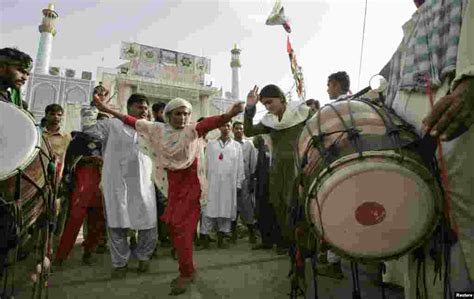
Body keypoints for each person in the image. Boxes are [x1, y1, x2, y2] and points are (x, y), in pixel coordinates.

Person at [92, 94, 244, 295]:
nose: (182, 118)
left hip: (191, 188)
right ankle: (187, 266)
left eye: (186, 114)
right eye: (177, 114)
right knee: (174, 228)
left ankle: (186, 273)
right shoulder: (157, 129)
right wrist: (107, 109)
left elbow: (210, 122)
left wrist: (230, 114)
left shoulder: (192, 130)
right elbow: (130, 120)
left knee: (183, 232)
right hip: (172, 188)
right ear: (168, 115)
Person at [380, 0, 474, 298]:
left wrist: (470, 82)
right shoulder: (412, 27)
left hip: (455, 133)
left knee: (461, 234)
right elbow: (385, 83)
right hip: (411, 147)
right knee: (416, 227)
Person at [84, 93, 157, 279]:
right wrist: (94, 106)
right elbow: (88, 128)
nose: (144, 111)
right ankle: (120, 263)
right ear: (129, 108)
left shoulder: (150, 129)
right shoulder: (111, 125)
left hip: (144, 185)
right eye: (140, 107)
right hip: (117, 184)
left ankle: (143, 257)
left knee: (148, 224)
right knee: (117, 224)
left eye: (146, 108)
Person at [244, 84, 311, 254]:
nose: (268, 106)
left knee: (296, 203)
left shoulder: (301, 113)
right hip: (276, 168)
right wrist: (250, 107)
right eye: (264, 104)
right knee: (279, 204)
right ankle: (287, 242)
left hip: (298, 166)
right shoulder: (269, 121)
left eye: (270, 102)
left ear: (281, 98)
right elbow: (248, 130)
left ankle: (303, 244)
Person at [54, 112, 108, 265]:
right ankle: (61, 256)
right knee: (74, 220)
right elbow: (69, 161)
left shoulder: (110, 142)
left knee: (97, 222)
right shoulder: (79, 139)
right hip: (83, 185)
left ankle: (88, 252)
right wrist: (89, 159)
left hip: (102, 186)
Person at [200, 122, 245, 249]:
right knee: (208, 209)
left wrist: (238, 183)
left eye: (228, 126)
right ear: (219, 127)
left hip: (228, 185)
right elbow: (205, 164)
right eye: (223, 125)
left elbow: (240, 166)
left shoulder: (236, 146)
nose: (226, 128)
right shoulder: (211, 144)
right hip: (212, 183)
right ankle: (204, 238)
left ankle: (221, 239)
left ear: (231, 128)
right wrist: (203, 181)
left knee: (225, 210)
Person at [42, 104, 72, 239]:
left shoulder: (66, 137)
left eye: (59, 114)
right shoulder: (38, 133)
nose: (56, 117)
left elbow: (67, 160)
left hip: (56, 178)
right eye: (52, 114)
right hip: (38, 175)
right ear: (46, 115)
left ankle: (49, 241)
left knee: (53, 210)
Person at [252, 135, 281, 251]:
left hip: (276, 183)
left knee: (277, 213)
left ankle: (280, 242)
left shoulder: (279, 142)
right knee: (263, 213)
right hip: (262, 184)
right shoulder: (261, 144)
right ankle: (266, 241)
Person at [232, 121, 258, 245]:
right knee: (233, 207)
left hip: (245, 181)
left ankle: (252, 233)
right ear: (233, 130)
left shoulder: (249, 145)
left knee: (247, 207)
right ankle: (232, 234)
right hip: (230, 181)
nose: (239, 131)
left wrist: (252, 181)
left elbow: (253, 163)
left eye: (241, 128)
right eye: (236, 128)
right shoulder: (229, 145)